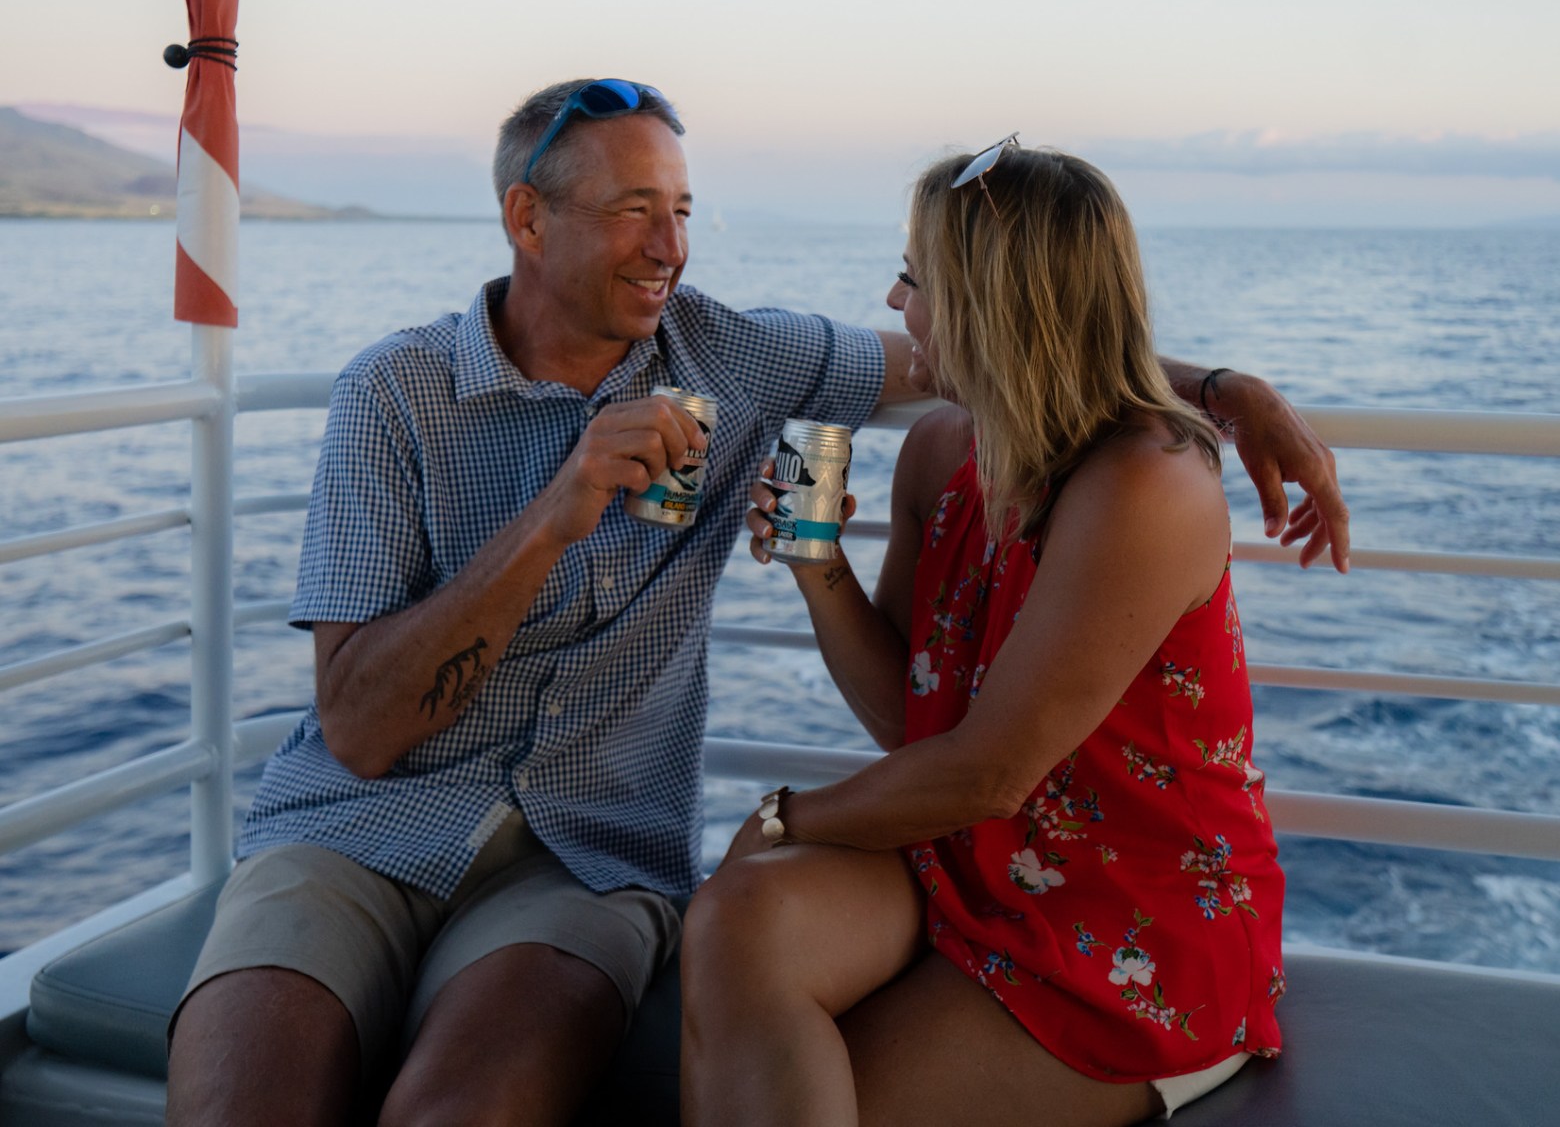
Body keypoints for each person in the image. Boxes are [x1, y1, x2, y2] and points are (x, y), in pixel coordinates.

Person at [166, 89, 1343, 1127]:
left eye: (682, 209)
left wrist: (1228, 389)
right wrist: (575, 512)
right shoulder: (397, 393)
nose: (671, 246)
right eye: (636, 209)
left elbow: (1036, 353)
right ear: (528, 219)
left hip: (598, 855)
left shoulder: (734, 357)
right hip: (361, 826)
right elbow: (363, 734)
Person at [681, 140, 1309, 1127]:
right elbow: (911, 725)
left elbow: (985, 775)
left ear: (990, 301)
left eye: (914, 278)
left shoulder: (1145, 485)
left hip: (1129, 925)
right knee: (737, 919)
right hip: (962, 857)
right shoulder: (941, 449)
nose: (895, 304)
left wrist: (778, 820)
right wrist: (819, 569)